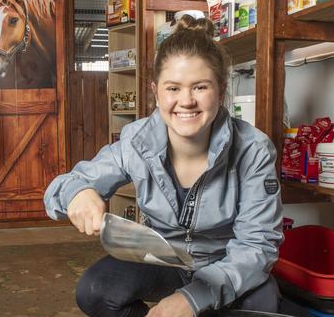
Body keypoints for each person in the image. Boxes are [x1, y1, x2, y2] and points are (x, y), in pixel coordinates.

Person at [44, 17, 283, 316]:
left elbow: (258, 245)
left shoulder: (253, 149)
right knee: (95, 290)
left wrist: (193, 298)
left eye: (200, 87)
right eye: (173, 88)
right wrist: (77, 192)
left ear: (221, 90)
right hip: (162, 261)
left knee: (264, 303)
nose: (186, 101)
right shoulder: (136, 141)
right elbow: (64, 184)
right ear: (156, 92)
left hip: (225, 263)